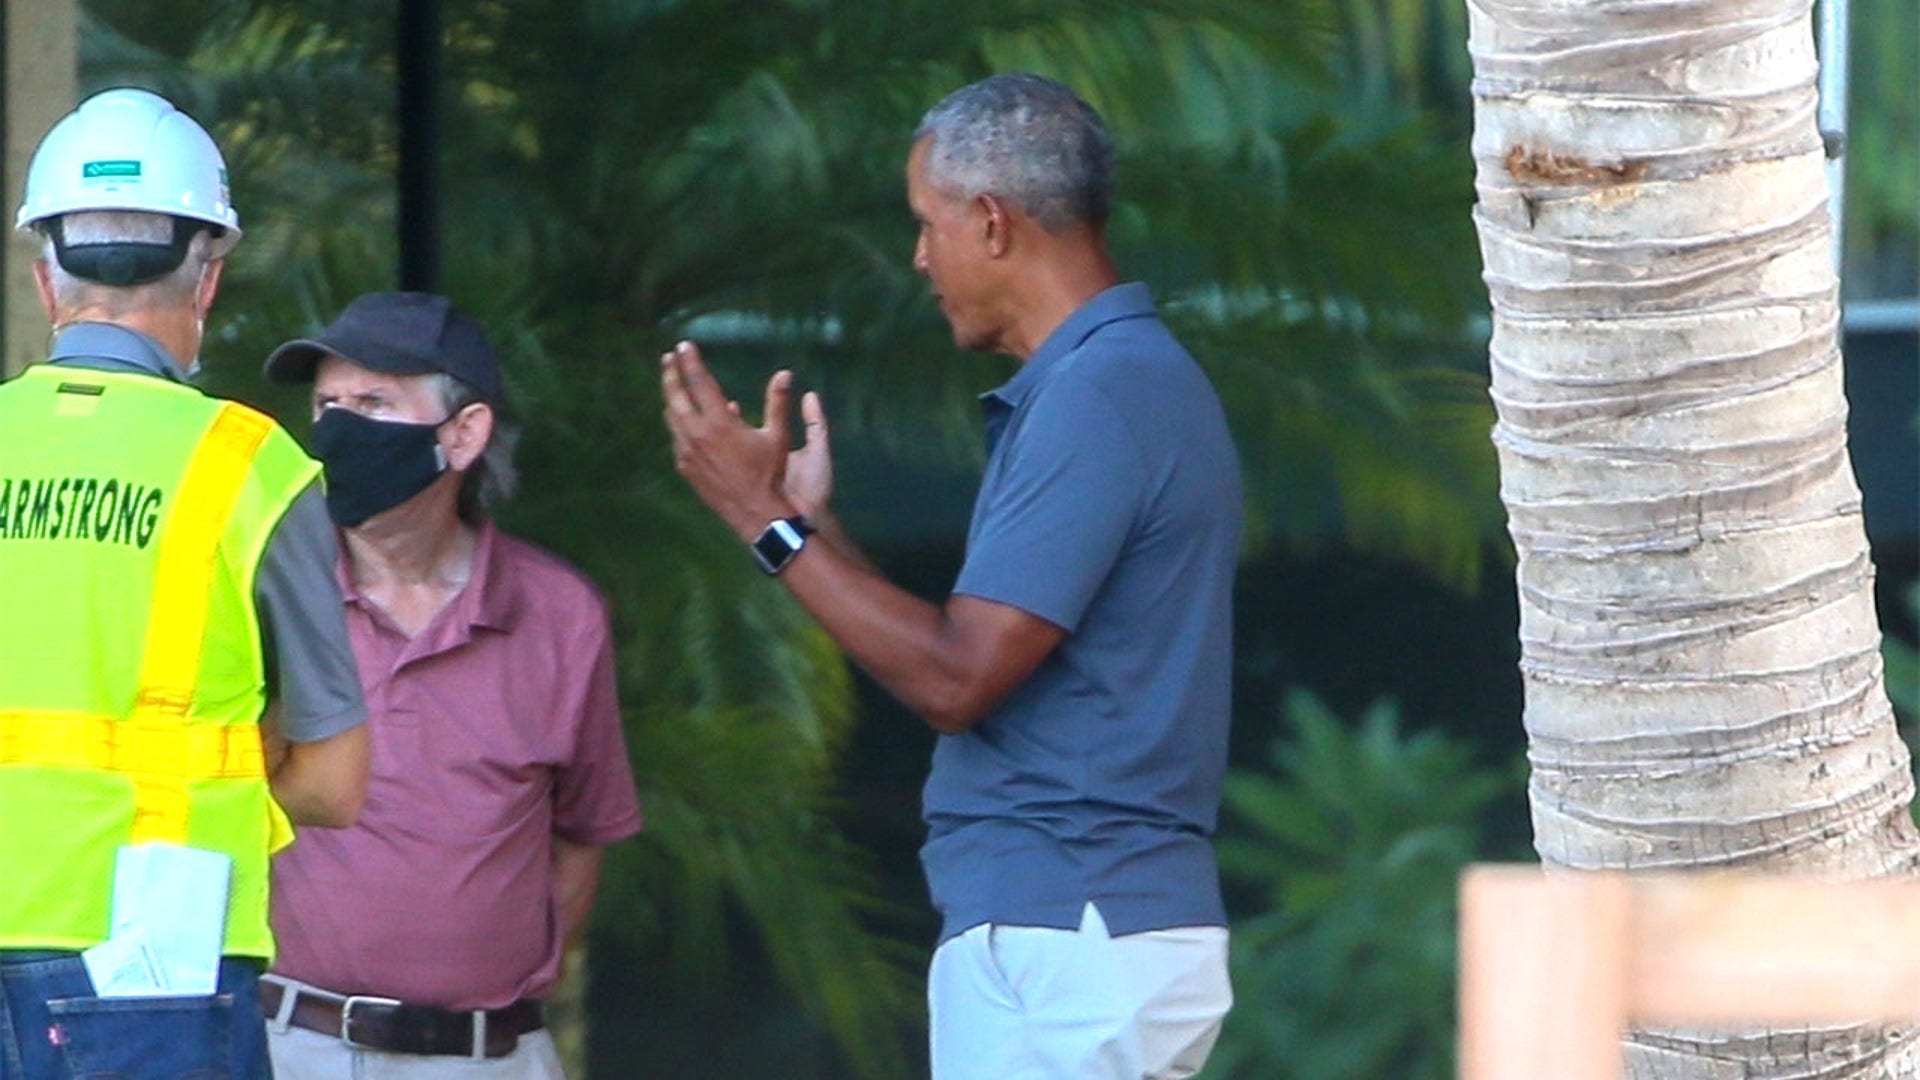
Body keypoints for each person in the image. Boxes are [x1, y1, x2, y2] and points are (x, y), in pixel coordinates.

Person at [661, 73, 1242, 1079]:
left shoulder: (1102, 393)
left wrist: (762, 523)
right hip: (1074, 929)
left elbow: (955, 677)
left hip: (1073, 932)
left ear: (991, 221)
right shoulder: (1107, 382)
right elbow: (967, 649)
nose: (920, 257)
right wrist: (806, 527)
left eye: (927, 224)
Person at [0, 87, 370, 1080]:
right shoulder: (251, 468)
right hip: (150, 964)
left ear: (47, 279)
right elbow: (335, 784)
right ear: (205, 278)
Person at [257, 291, 643, 1076]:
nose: (337, 428)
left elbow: (582, 835)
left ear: (463, 434)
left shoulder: (559, 615)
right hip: (290, 1045)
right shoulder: (262, 592)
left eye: (372, 403)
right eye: (326, 403)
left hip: (487, 1056)